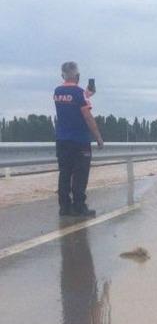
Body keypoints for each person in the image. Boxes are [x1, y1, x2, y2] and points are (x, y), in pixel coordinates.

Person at [54, 61, 104, 217]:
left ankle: (64, 207)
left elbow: (73, 98)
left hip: (62, 140)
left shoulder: (57, 92)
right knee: (80, 175)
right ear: (78, 76)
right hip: (80, 141)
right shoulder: (79, 93)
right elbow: (87, 116)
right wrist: (98, 137)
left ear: (62, 75)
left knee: (65, 173)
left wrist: (88, 93)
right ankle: (79, 207)